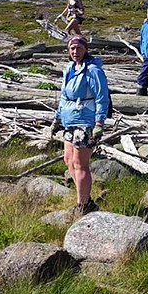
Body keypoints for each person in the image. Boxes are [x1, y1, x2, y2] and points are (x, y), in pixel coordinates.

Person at [49, 34, 110, 217]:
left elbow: (102, 97)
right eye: (72, 48)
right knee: (68, 160)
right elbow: (63, 97)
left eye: (79, 48)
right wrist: (57, 119)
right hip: (69, 121)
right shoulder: (69, 68)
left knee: (80, 163)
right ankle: (86, 199)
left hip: (86, 121)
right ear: (68, 50)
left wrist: (99, 122)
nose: (76, 52)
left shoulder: (93, 70)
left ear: (85, 50)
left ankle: (82, 205)